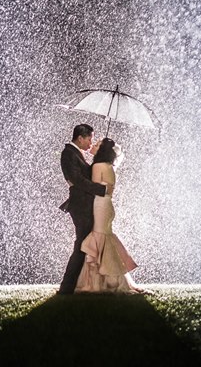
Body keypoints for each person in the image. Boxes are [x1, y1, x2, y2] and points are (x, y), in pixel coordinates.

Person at [74, 138, 145, 294]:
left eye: (98, 145)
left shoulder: (98, 166)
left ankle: (99, 281)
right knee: (105, 237)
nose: (94, 145)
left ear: (102, 151)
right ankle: (112, 278)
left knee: (99, 238)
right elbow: (108, 189)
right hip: (107, 206)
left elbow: (92, 188)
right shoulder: (109, 166)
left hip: (99, 206)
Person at [57, 124, 112, 295]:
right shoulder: (68, 153)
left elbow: (83, 177)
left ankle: (75, 284)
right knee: (81, 245)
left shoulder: (76, 153)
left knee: (84, 245)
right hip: (80, 206)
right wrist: (101, 190)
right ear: (80, 138)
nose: (90, 142)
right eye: (89, 139)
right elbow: (77, 179)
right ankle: (67, 287)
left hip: (84, 205)